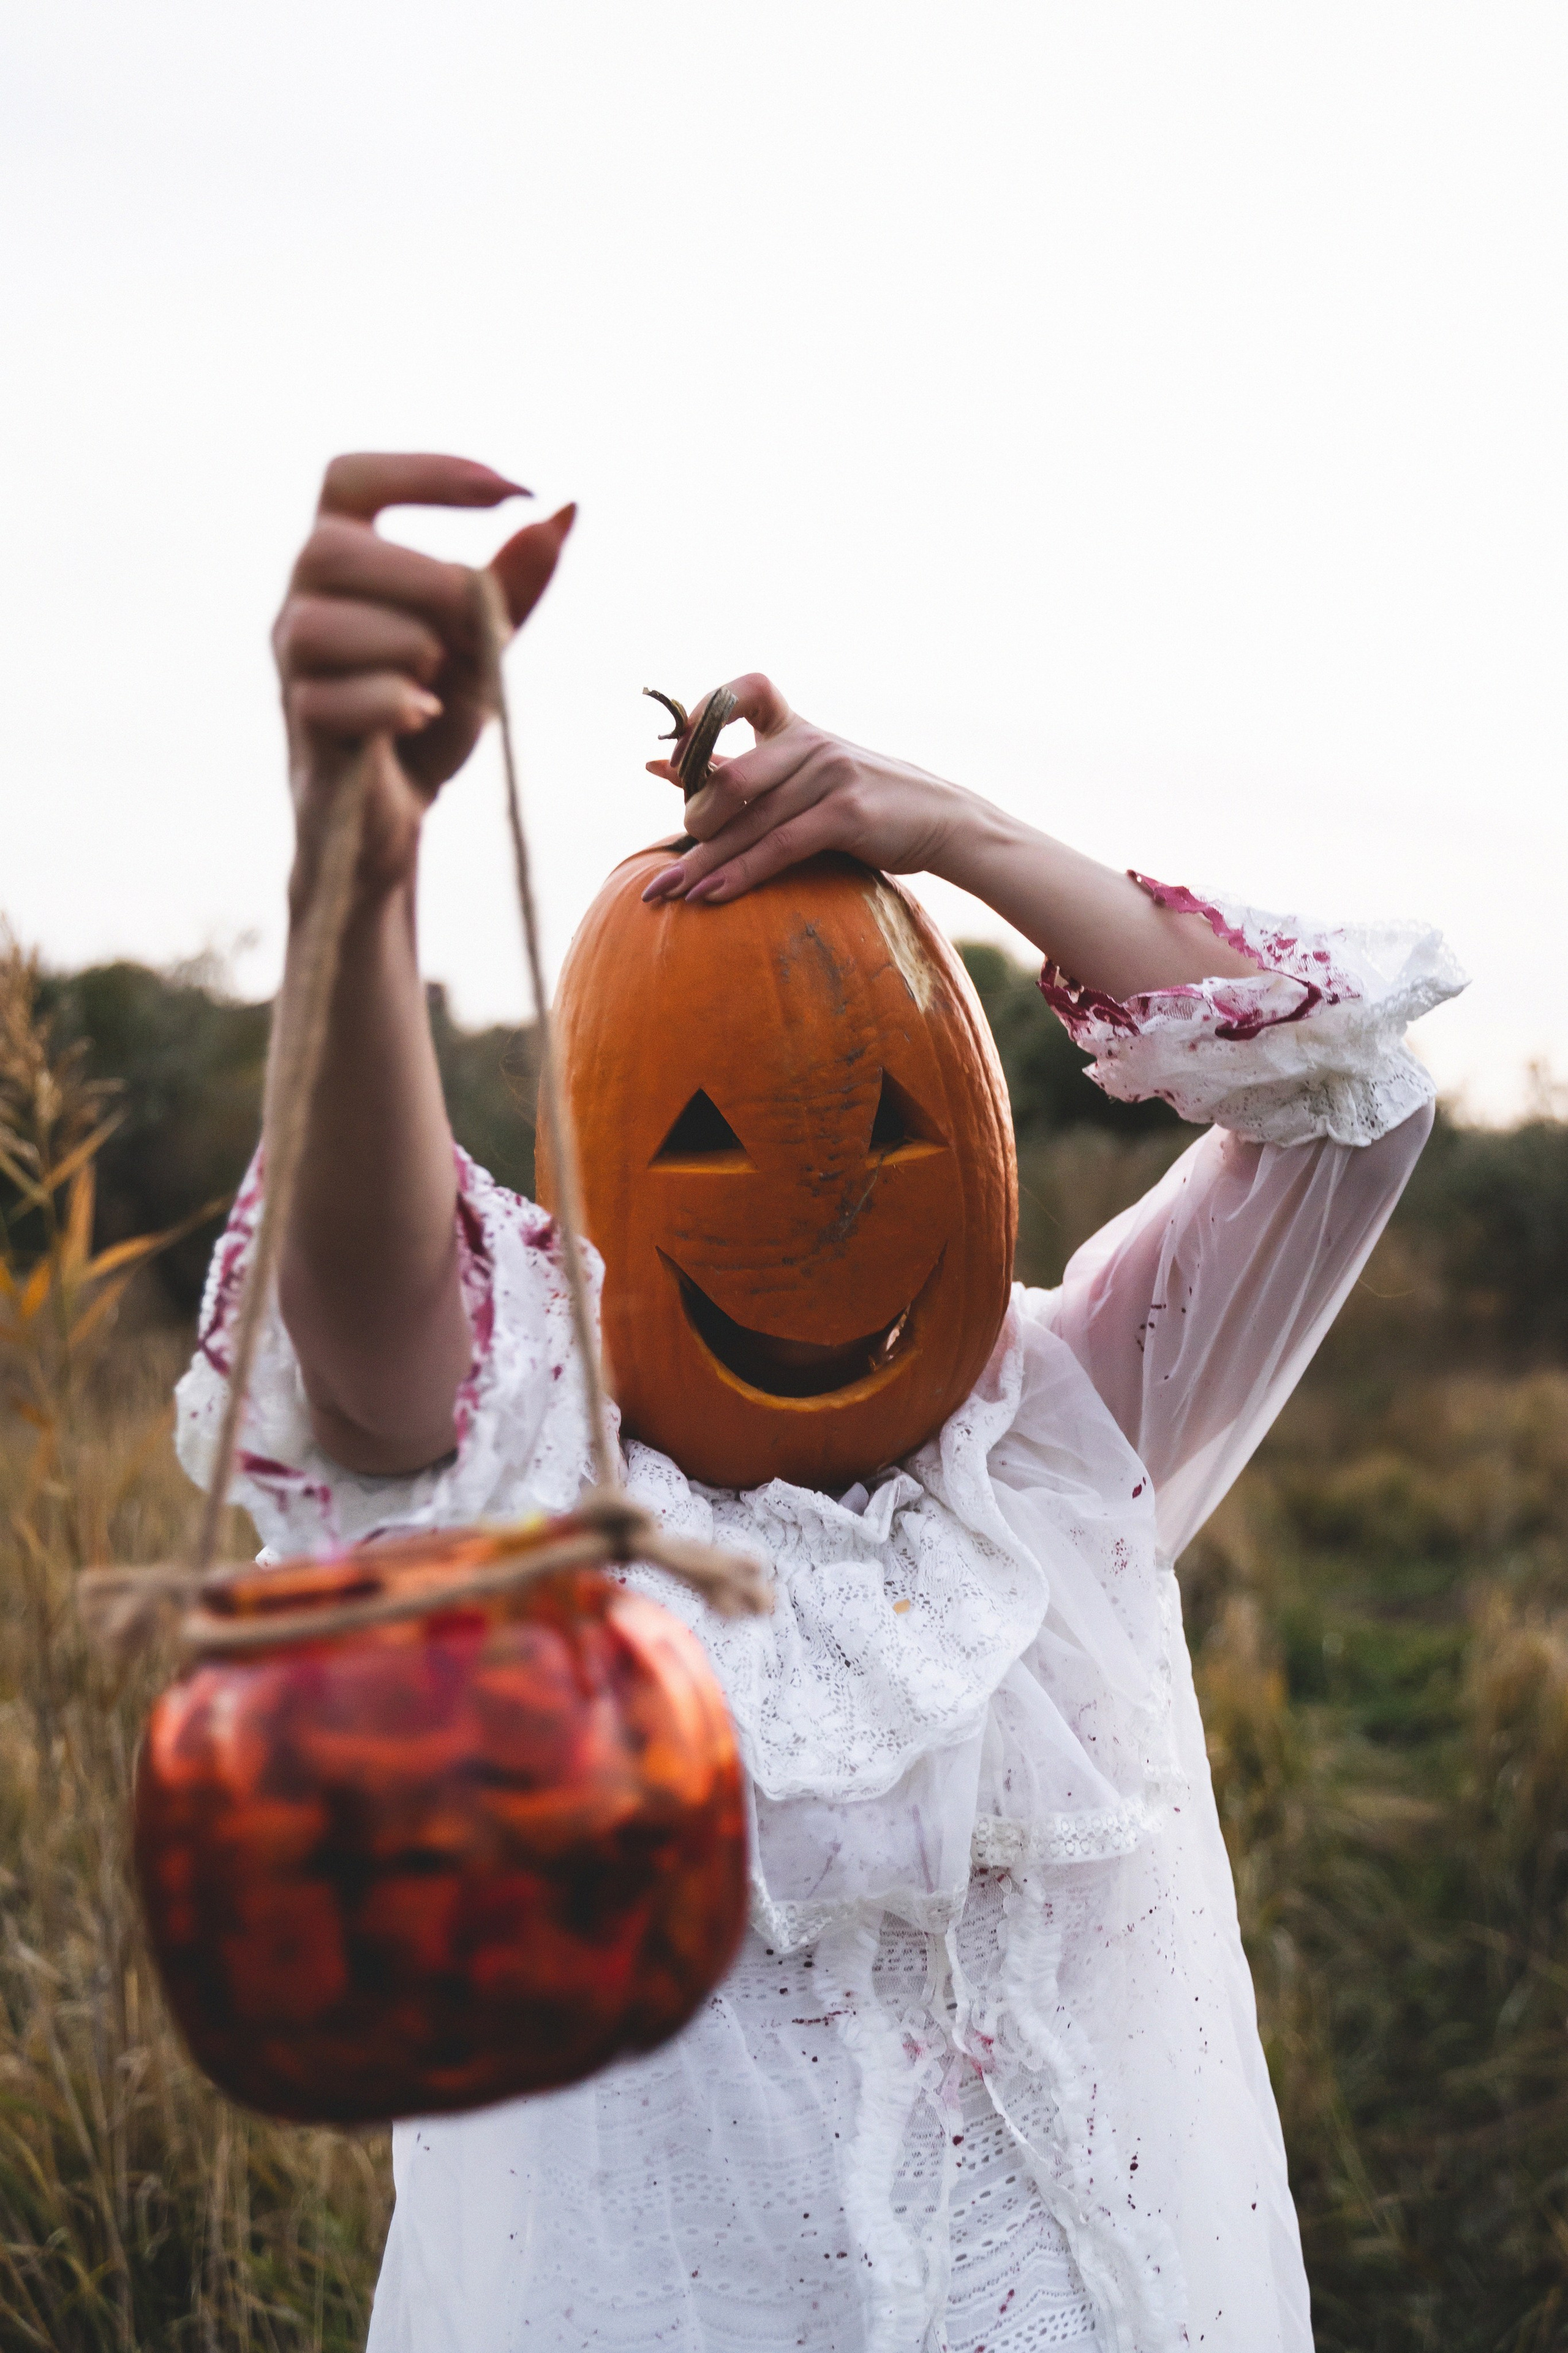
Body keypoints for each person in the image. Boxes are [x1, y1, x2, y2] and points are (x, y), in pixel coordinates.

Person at [176, 454, 1464, 2353]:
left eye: (891, 1121)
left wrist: (948, 829)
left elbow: (1352, 1097)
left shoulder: (1062, 1431)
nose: (818, 1221)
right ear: (582, 1169)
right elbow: (368, 1360)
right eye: (697, 1145)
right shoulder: (525, 1488)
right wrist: (355, 874)